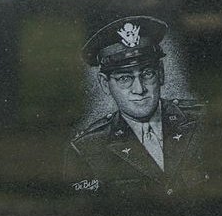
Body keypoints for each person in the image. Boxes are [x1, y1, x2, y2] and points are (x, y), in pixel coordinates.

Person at [64, 15, 205, 197]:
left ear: (160, 73)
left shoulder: (202, 123)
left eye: (147, 74)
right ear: (105, 84)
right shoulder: (87, 150)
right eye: (125, 78)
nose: (139, 89)